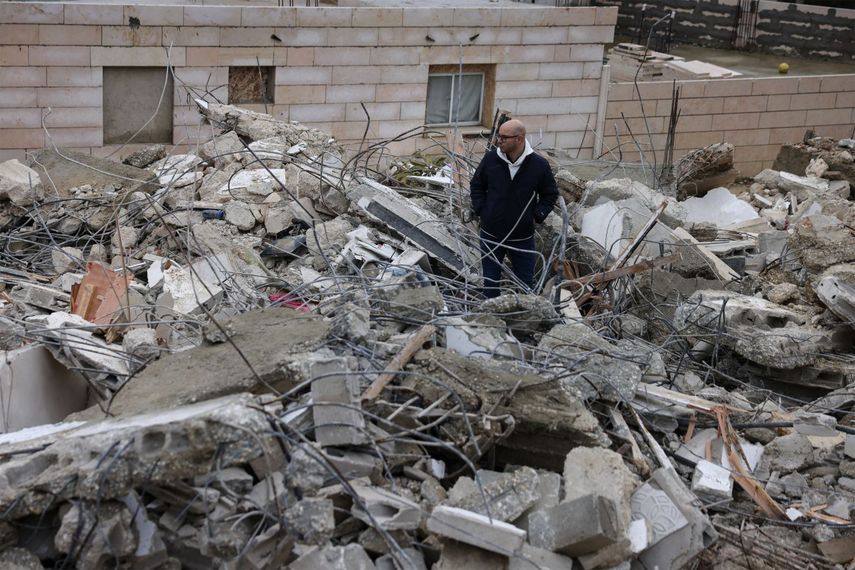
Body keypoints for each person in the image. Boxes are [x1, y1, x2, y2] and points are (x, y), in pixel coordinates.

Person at [470, 119, 558, 298]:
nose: (498, 141)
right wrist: (482, 210)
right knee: (490, 286)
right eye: (498, 137)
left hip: (522, 238)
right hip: (491, 236)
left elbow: (550, 195)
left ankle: (523, 321)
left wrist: (536, 215)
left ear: (519, 139)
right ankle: (490, 321)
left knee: (526, 287)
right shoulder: (491, 159)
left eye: (503, 137)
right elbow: (476, 185)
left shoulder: (539, 166)